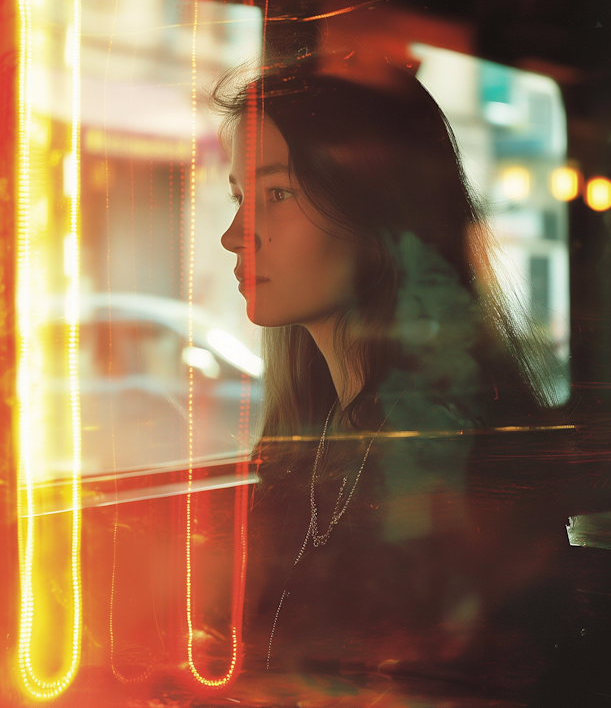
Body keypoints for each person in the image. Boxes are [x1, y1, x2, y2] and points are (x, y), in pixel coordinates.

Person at [214, 52, 561, 702]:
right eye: (240, 197)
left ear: (377, 213)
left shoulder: (455, 462)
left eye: (277, 194)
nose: (236, 235)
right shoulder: (306, 445)